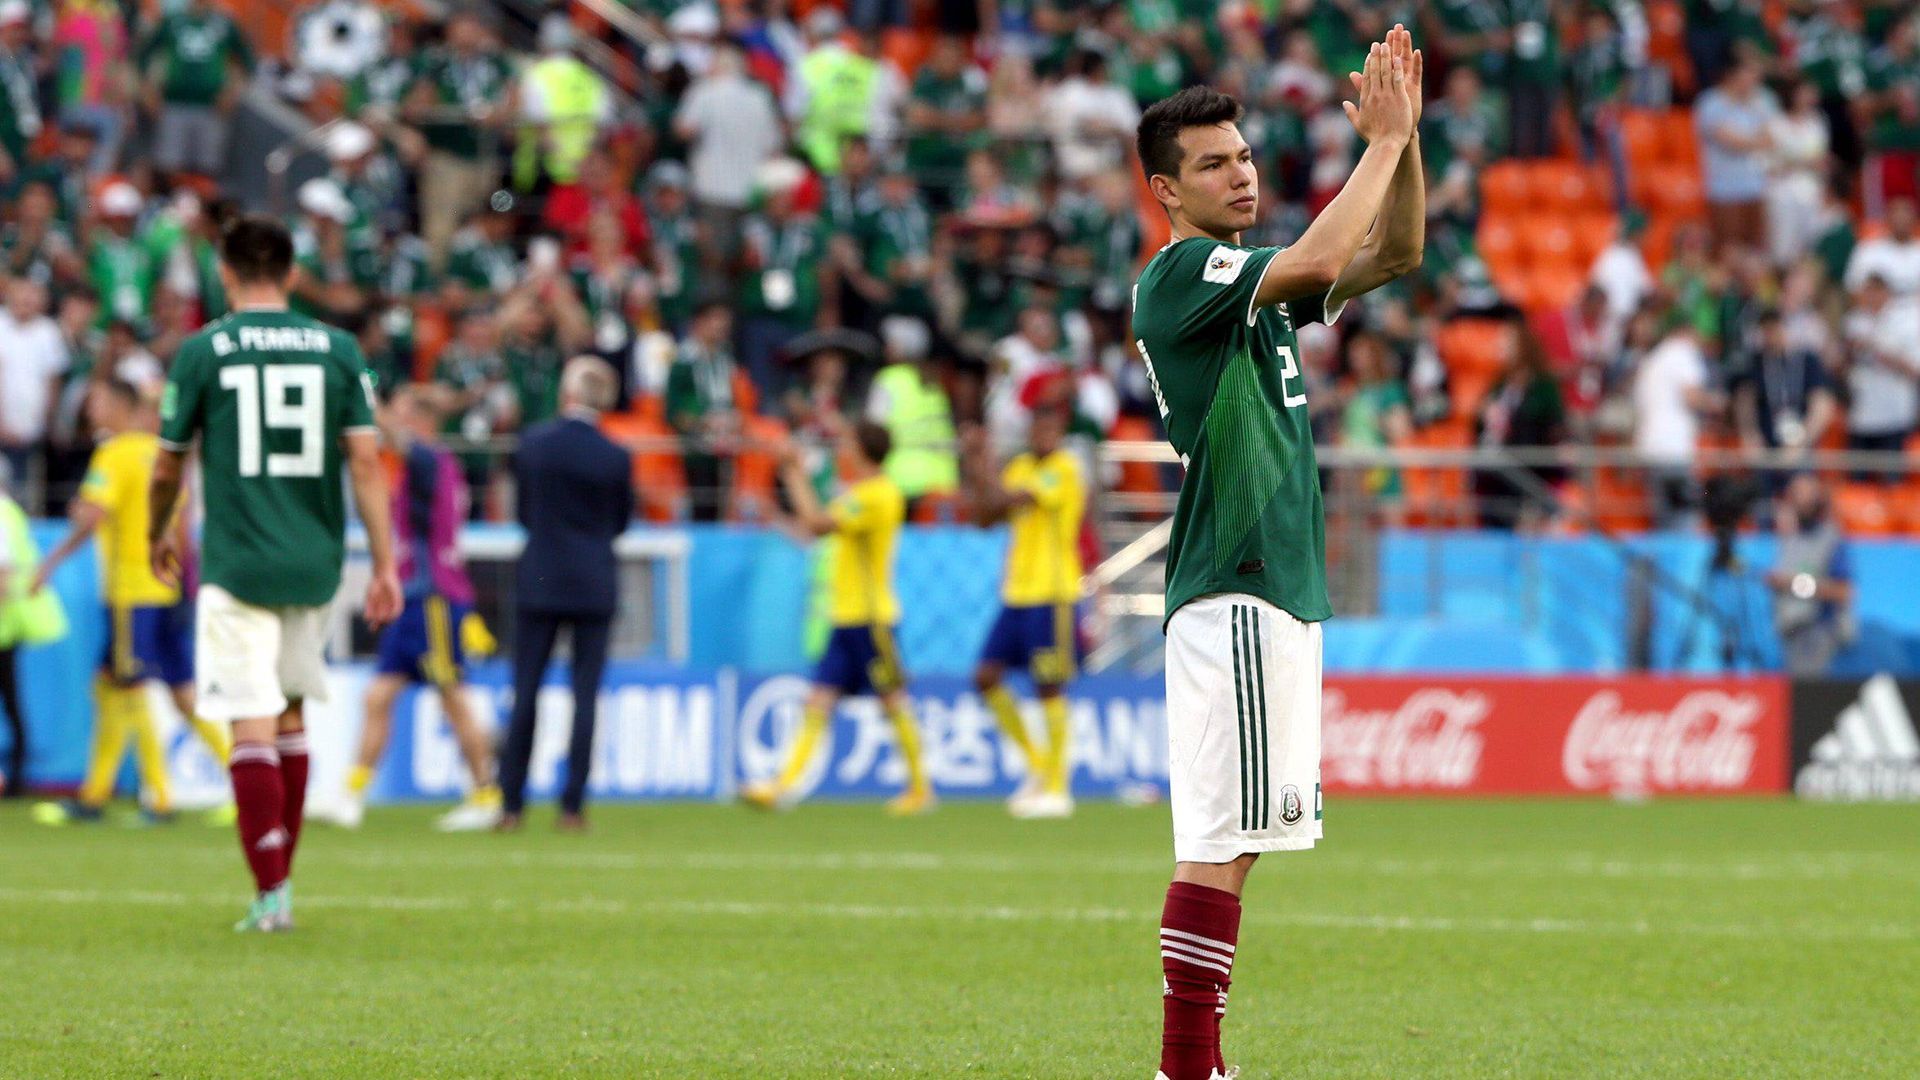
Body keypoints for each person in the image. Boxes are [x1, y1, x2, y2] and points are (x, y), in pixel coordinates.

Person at [1128, 24, 1424, 1079]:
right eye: (1212, 164)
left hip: (1274, 592)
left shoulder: (1251, 292)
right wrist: (1379, 148)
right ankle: (1187, 1065)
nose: (1241, 173)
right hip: (1237, 582)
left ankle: (1194, 1063)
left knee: (1242, 836)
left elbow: (1394, 253)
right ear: (1167, 191)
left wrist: (1408, 140)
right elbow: (1318, 256)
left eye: (1244, 155)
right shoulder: (1180, 278)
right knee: (1219, 837)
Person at [148, 214, 402, 932]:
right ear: (290, 275)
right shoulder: (339, 349)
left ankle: (270, 894)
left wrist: (156, 528)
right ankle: (281, 880)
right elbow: (364, 460)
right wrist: (383, 562)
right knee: (290, 714)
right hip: (314, 560)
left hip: (238, 561)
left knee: (250, 722)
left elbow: (169, 461)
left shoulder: (205, 350)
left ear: (225, 274)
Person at [29, 378, 233, 825]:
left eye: (98, 400)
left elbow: (91, 516)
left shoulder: (115, 454)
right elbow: (182, 522)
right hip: (169, 588)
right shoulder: (162, 454)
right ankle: (243, 783)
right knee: (165, 692)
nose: (90, 408)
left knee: (127, 685)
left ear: (120, 406)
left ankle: (156, 798)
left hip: (131, 593)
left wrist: (49, 564)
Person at [741, 420, 934, 816]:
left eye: (849, 443)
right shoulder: (861, 494)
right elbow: (814, 531)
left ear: (863, 450)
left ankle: (921, 788)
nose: (843, 451)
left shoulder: (877, 495)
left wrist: (793, 470)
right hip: (845, 617)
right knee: (818, 701)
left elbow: (816, 524)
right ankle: (782, 786)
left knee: (892, 700)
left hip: (871, 618)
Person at [337, 385, 500, 831]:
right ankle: (350, 796)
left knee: (453, 699)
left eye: (405, 416)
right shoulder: (421, 468)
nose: (394, 426)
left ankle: (486, 794)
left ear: (424, 423)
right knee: (378, 697)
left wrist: (366, 399)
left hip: (434, 600)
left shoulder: (430, 460)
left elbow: (396, 436)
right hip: (411, 600)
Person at [495, 357, 631, 833]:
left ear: (566, 394)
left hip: (541, 577)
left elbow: (525, 513)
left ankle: (511, 804)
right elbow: (619, 523)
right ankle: (572, 807)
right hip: (594, 580)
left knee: (526, 691)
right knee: (585, 696)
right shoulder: (615, 455)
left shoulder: (534, 444)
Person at [964, 406, 1085, 819]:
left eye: (1052, 426)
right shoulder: (1019, 467)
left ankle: (1057, 786)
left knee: (1048, 685)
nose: (1045, 434)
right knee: (985, 677)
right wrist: (981, 468)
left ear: (1061, 431)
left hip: (1052, 592)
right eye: (1040, 426)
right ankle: (1037, 767)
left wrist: (980, 464)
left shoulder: (1063, 470)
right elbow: (984, 518)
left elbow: (1008, 498)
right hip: (1016, 592)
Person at [0, 456, 67, 796]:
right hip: (10, 623)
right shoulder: (9, 511)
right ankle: (17, 776)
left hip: (5, 623)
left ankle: (15, 777)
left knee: (12, 702)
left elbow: (3, 572)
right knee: (13, 703)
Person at [1767, 473, 1853, 676]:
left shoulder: (1831, 539)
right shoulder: (1789, 539)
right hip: (1790, 630)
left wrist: (1793, 584)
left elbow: (1843, 592)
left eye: (1804, 498)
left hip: (1817, 630)